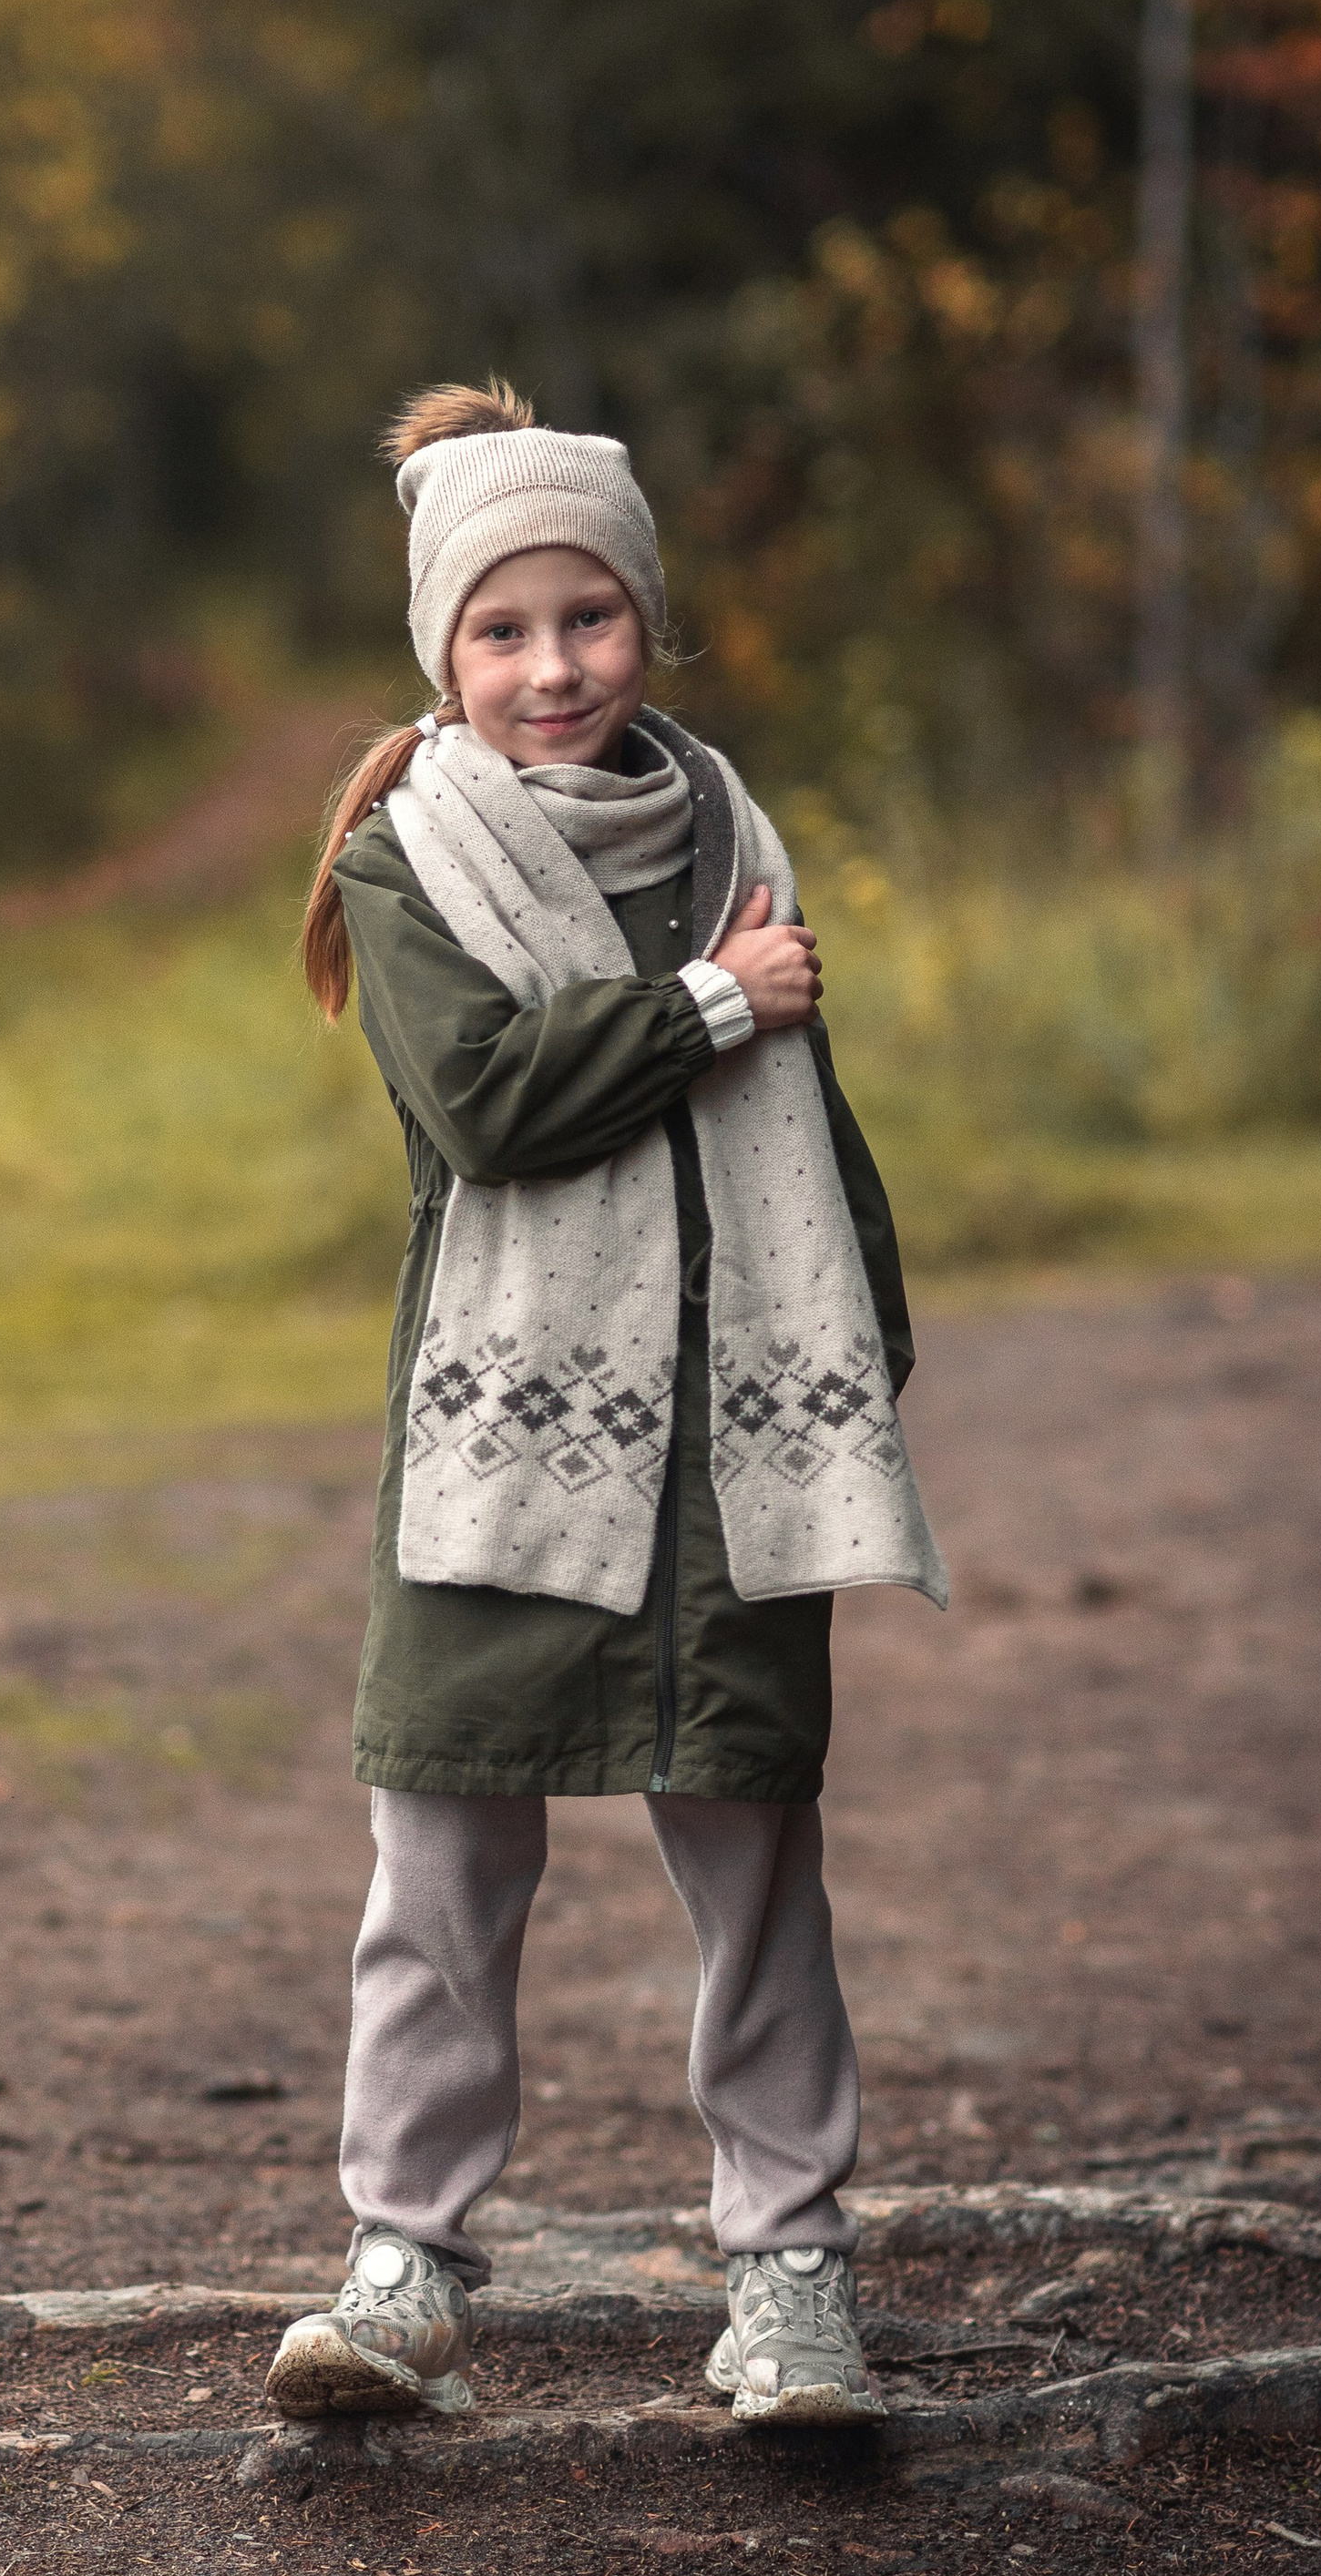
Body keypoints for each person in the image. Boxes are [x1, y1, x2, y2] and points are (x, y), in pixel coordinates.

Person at [265, 380, 947, 2430]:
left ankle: (790, 2274)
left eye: (587, 618)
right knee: (443, 1862)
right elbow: (485, 1108)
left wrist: (861, 1364)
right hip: (508, 1440)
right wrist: (720, 1000)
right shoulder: (408, 858)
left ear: (646, 621)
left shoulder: (731, 829)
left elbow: (802, 1142)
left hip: (729, 1442)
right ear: (441, 654)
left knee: (755, 1864)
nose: (549, 666)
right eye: (501, 629)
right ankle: (401, 2266)